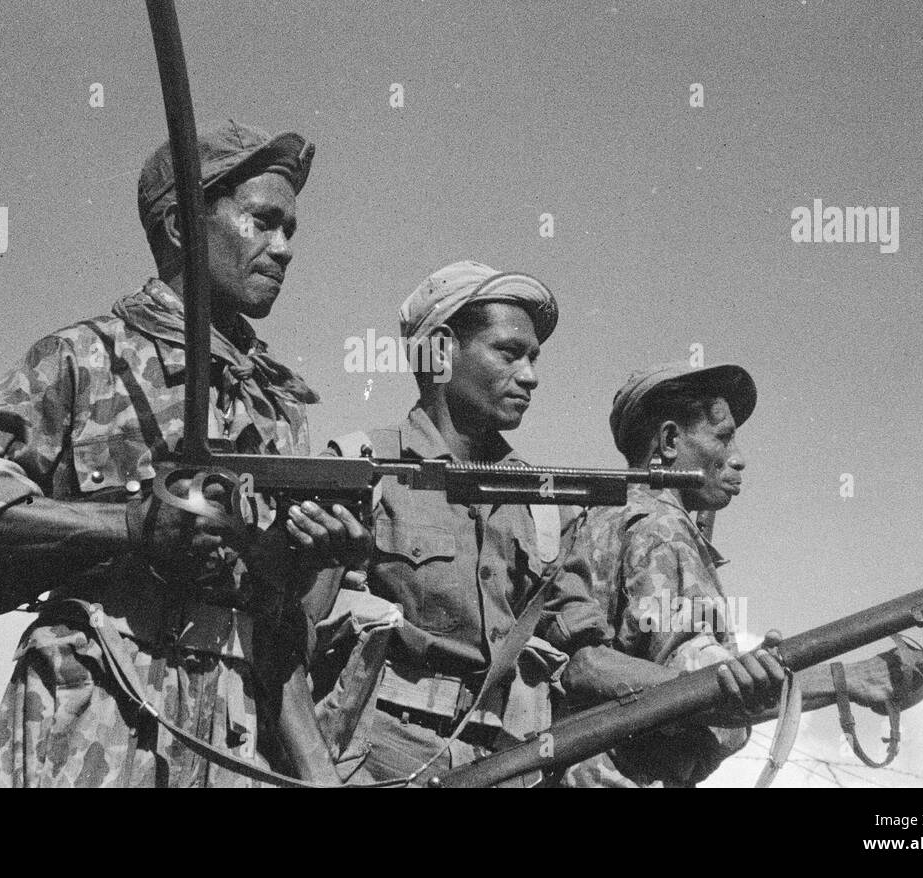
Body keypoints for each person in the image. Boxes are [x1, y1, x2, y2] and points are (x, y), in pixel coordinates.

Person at [0, 120, 366, 787]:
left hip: (233, 727)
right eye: (263, 222)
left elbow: (276, 623)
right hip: (97, 704)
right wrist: (126, 527)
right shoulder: (85, 359)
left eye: (290, 229)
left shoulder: (280, 409)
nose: (284, 248)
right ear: (182, 225)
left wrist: (303, 564)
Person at [306, 262, 785, 785]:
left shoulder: (543, 506)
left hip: (504, 766)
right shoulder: (362, 469)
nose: (531, 375)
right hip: (373, 761)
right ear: (441, 352)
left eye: (534, 357)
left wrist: (717, 687)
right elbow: (289, 639)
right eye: (509, 353)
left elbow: (583, 662)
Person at [562, 361, 923, 787]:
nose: (738, 459)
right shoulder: (664, 530)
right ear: (669, 440)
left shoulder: (598, 519)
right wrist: (850, 680)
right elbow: (698, 690)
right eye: (722, 437)